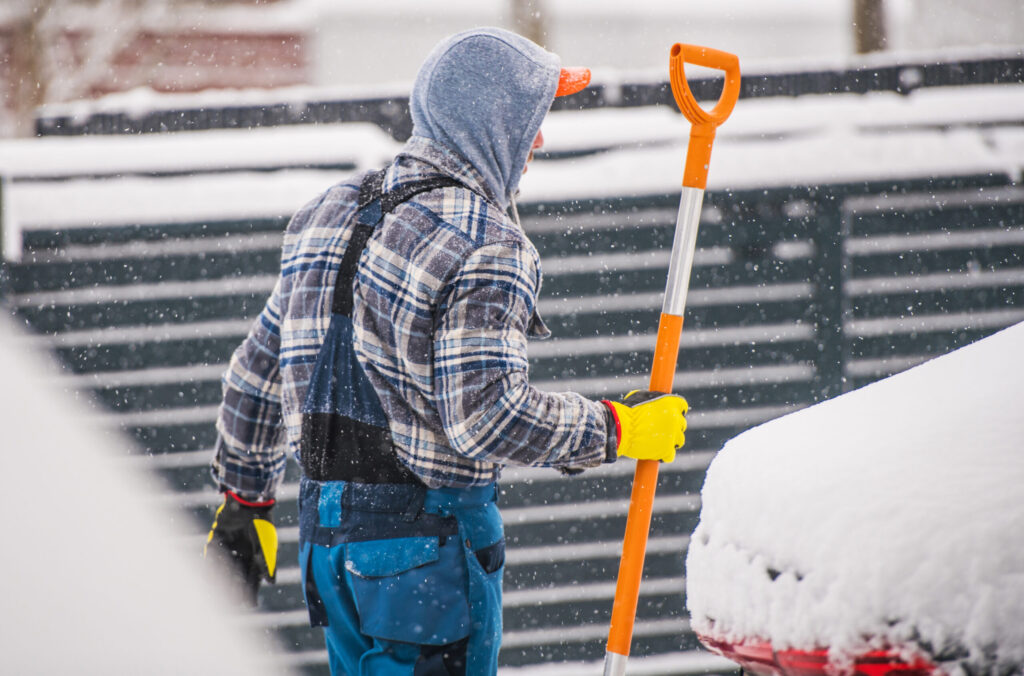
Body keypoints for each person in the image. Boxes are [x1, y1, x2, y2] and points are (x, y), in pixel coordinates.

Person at [204, 27, 688, 676]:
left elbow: (259, 372)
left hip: (327, 544)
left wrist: (245, 501)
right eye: (531, 119)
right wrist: (616, 428)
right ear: (493, 122)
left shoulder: (327, 211)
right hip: (425, 555)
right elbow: (488, 418)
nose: (538, 139)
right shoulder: (488, 241)